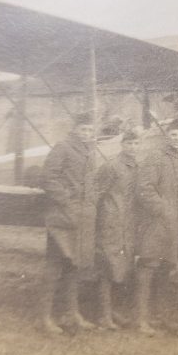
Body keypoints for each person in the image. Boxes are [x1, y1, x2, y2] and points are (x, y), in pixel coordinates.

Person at [39, 113, 98, 334]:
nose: (87, 134)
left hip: (81, 217)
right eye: (83, 129)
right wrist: (66, 201)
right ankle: (44, 318)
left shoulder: (89, 151)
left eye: (90, 130)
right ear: (75, 129)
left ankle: (72, 314)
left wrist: (90, 204)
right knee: (54, 267)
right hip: (61, 217)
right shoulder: (62, 147)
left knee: (74, 266)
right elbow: (47, 177)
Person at [134, 118, 178, 335]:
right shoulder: (156, 157)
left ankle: (160, 317)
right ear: (167, 135)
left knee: (166, 270)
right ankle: (141, 319)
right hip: (156, 224)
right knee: (148, 268)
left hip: (176, 227)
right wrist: (163, 209)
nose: (177, 138)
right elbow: (144, 189)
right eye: (174, 134)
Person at [94, 129, 141, 330]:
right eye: (129, 143)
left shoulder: (137, 167)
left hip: (127, 225)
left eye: (136, 144)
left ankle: (113, 311)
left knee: (122, 268)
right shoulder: (111, 166)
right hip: (111, 223)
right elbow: (98, 194)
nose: (132, 147)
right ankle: (104, 316)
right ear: (122, 145)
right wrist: (103, 220)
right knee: (107, 267)